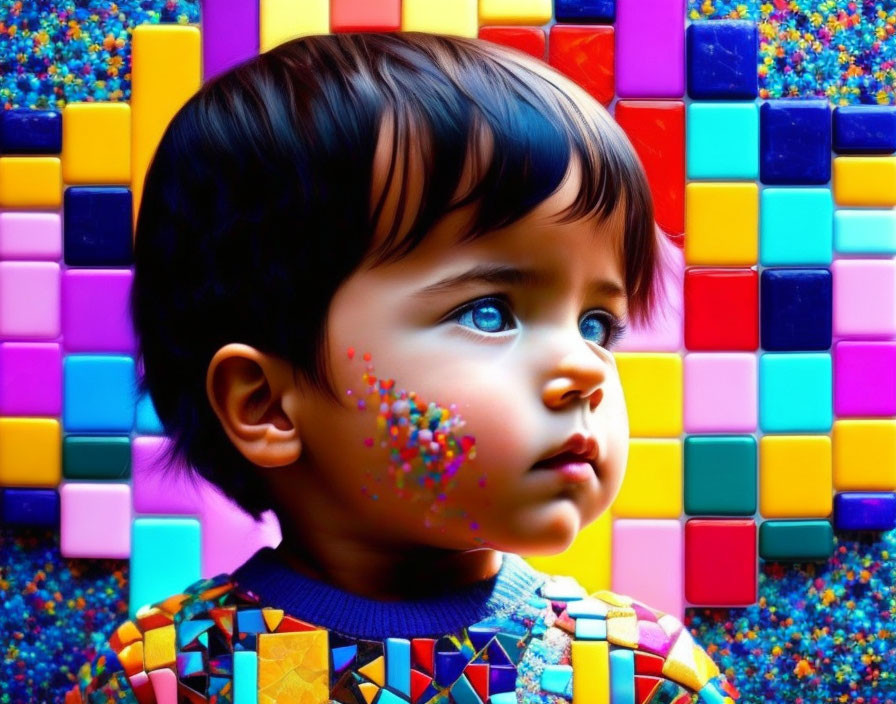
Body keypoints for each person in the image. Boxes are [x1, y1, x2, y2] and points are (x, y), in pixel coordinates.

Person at [66, 31, 737, 704]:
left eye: (597, 326)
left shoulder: (640, 676)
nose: (584, 372)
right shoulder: (166, 678)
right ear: (265, 404)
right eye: (489, 312)